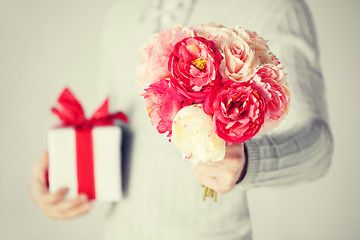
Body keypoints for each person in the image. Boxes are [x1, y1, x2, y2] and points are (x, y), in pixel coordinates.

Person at [30, 0, 333, 239]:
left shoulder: (276, 7)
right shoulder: (121, 12)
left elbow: (319, 149)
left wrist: (249, 163)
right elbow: (112, 126)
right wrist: (65, 178)